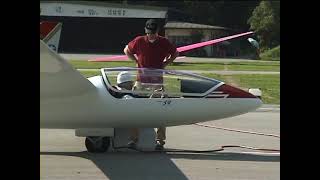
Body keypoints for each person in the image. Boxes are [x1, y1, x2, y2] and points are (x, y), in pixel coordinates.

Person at [123, 19, 179, 150]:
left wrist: (165, 63)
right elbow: (126, 50)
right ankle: (133, 139)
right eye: (149, 33)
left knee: (160, 111)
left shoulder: (164, 42)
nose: (151, 35)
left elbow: (175, 53)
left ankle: (160, 141)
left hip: (157, 82)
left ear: (157, 32)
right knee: (135, 109)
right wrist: (136, 61)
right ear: (145, 31)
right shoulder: (139, 41)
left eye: (153, 33)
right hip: (141, 80)